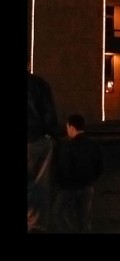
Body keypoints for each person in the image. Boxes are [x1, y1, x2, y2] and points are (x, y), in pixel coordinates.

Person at [52, 113, 104, 232]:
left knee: (58, 213)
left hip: (69, 186)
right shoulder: (92, 145)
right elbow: (99, 165)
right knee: (84, 218)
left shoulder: (67, 145)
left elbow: (63, 166)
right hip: (87, 185)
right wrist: (92, 179)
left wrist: (60, 182)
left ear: (72, 127)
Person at [27, 72, 59, 233]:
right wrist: (53, 134)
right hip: (36, 140)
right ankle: (35, 224)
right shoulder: (38, 84)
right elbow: (49, 112)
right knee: (39, 184)